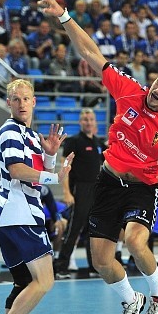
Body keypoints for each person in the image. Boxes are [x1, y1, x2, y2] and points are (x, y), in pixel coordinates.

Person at [38, 0, 158, 314]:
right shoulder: (129, 91)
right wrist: (64, 16)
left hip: (143, 188)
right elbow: (90, 53)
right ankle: (130, 300)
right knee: (100, 261)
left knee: (135, 242)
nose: (157, 90)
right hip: (107, 182)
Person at [0, 79, 74, 314]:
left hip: (11, 217)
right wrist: (55, 177)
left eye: (26, 98)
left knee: (23, 283)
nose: (21, 104)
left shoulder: (30, 135)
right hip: (19, 214)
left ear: (34, 102)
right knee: (45, 281)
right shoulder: (10, 131)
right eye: (16, 99)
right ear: (8, 103)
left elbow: (38, 172)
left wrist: (50, 154)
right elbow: (17, 170)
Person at [54, 108, 106, 279]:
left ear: (95, 122)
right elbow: (65, 166)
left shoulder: (98, 143)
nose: (88, 122)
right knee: (74, 229)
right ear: (80, 122)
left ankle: (93, 267)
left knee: (94, 229)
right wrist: (67, 192)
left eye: (91, 119)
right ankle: (61, 267)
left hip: (96, 190)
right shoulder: (74, 141)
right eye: (85, 119)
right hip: (80, 189)